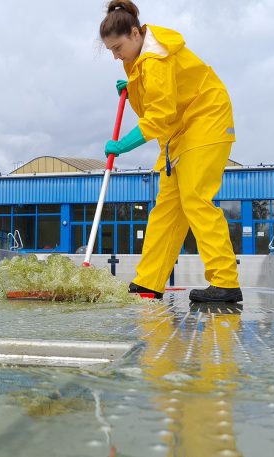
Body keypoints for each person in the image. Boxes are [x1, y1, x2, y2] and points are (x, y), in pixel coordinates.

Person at [99, 1, 242, 302]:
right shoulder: (141, 60)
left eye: (117, 47)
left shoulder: (155, 59)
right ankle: (149, 281)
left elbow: (158, 115)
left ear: (135, 33)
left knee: (195, 198)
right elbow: (158, 97)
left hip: (206, 120)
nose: (115, 55)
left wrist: (122, 145)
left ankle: (226, 282)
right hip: (180, 132)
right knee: (166, 208)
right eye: (111, 50)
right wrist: (134, 85)